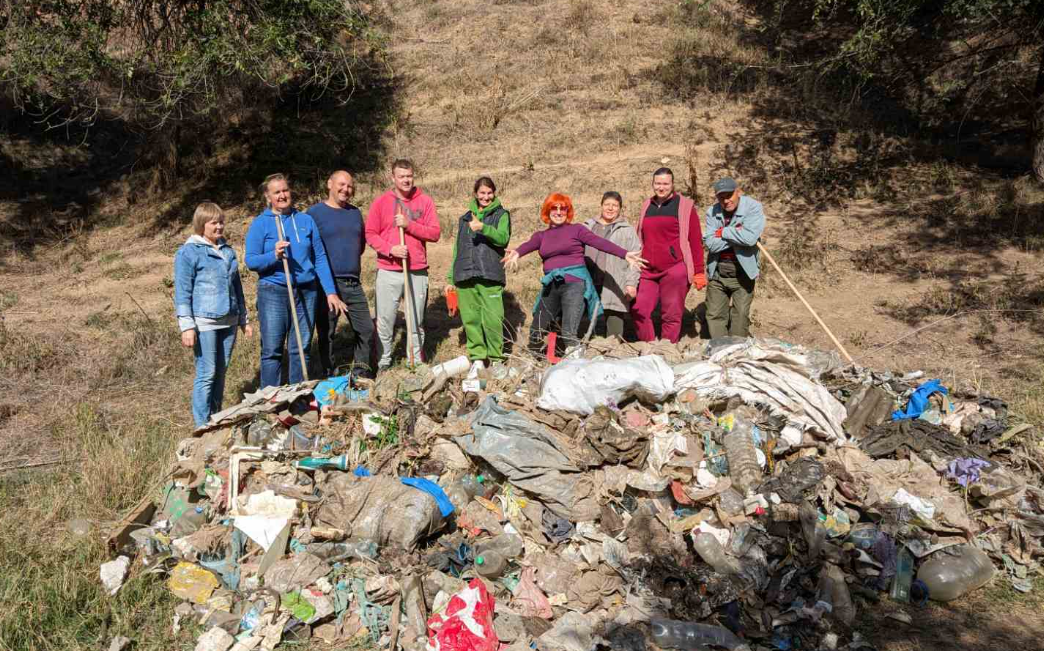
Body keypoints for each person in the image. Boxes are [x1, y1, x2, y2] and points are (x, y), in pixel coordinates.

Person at [503, 192, 645, 357]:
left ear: (567, 211)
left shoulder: (577, 229)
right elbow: (527, 245)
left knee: (569, 330)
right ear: (547, 212)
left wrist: (624, 254)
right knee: (537, 328)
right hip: (551, 284)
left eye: (562, 209)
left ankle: (576, 360)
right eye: (554, 208)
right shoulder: (541, 236)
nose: (558, 212)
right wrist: (517, 253)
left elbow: (599, 242)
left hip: (574, 284)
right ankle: (544, 358)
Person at [245, 173, 347, 388]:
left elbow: (319, 257)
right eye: (277, 192)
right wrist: (273, 255)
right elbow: (251, 261)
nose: (283, 195)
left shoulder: (305, 220)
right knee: (272, 349)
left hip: (306, 291)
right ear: (268, 197)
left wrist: (330, 291)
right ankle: (270, 400)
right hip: (274, 290)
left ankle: (298, 396)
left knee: (300, 347)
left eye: (285, 190)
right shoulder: (260, 225)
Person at [174, 202, 253, 427]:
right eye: (214, 223)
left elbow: (236, 287)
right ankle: (202, 425)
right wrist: (187, 326)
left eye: (221, 222)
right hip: (204, 322)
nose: (219, 227)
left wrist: (243, 319)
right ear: (202, 224)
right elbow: (182, 291)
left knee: (221, 371)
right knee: (207, 372)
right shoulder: (189, 252)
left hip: (228, 320)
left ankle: (215, 417)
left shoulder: (227, 251)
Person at [365, 159, 441, 369]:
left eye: (409, 176)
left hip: (417, 270)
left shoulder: (424, 201)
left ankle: (414, 364)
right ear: (393, 178)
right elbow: (370, 234)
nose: (406, 180)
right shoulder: (381, 202)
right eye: (401, 176)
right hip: (389, 271)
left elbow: (435, 233)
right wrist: (390, 249)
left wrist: (410, 226)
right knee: (385, 321)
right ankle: (383, 363)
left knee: (415, 321)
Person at [308, 170, 375, 378]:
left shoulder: (355, 213)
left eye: (349, 186)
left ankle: (360, 374)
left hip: (352, 282)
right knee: (327, 333)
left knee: (366, 329)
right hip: (326, 284)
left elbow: (360, 245)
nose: (346, 189)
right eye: (342, 184)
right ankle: (329, 375)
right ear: (329, 184)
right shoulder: (314, 213)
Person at [632, 167, 707, 343]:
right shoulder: (646, 205)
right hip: (647, 269)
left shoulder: (684, 206)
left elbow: (695, 241)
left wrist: (699, 271)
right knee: (639, 310)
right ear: (652, 184)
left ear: (672, 184)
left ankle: (667, 349)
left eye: (665, 183)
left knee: (671, 314)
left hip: (674, 269)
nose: (661, 187)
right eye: (658, 183)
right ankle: (648, 347)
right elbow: (639, 237)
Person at [446, 176, 511, 375]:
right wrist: (450, 278)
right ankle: (477, 359)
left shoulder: (502, 215)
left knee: (493, 318)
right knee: (471, 319)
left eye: (489, 193)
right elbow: (458, 249)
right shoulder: (464, 218)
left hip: (490, 273)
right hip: (465, 274)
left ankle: (497, 359)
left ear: (494, 193)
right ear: (476, 194)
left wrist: (483, 228)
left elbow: (503, 239)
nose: (486, 196)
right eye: (482, 193)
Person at [703, 177, 765, 338]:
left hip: (743, 272)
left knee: (740, 317)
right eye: (721, 197)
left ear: (738, 192)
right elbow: (711, 244)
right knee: (715, 314)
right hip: (718, 270)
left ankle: (737, 353)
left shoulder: (753, 207)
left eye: (729, 195)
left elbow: (750, 238)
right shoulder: (712, 212)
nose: (726, 200)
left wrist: (722, 232)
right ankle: (720, 351)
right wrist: (738, 233)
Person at [583, 191, 641, 339]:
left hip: (615, 280)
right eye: (607, 204)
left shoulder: (627, 230)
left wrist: (631, 283)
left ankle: (613, 353)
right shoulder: (587, 226)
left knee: (614, 319)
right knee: (584, 319)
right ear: (601, 206)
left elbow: (636, 258)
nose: (610, 208)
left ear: (620, 208)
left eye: (615, 205)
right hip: (588, 278)